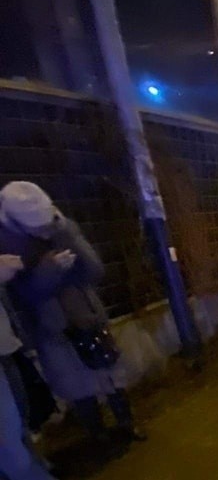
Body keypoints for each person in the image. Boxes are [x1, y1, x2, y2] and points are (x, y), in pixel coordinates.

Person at [0, 182, 145, 444]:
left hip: (86, 315)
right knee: (78, 386)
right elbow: (22, 298)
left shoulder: (61, 228)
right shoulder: (8, 248)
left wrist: (67, 235)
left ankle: (127, 424)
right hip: (52, 329)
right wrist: (49, 270)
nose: (45, 231)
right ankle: (98, 435)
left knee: (110, 374)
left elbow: (95, 270)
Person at [0, 254, 55, 480]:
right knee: (10, 441)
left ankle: (35, 463)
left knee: (19, 424)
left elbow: (9, 308)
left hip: (7, 351)